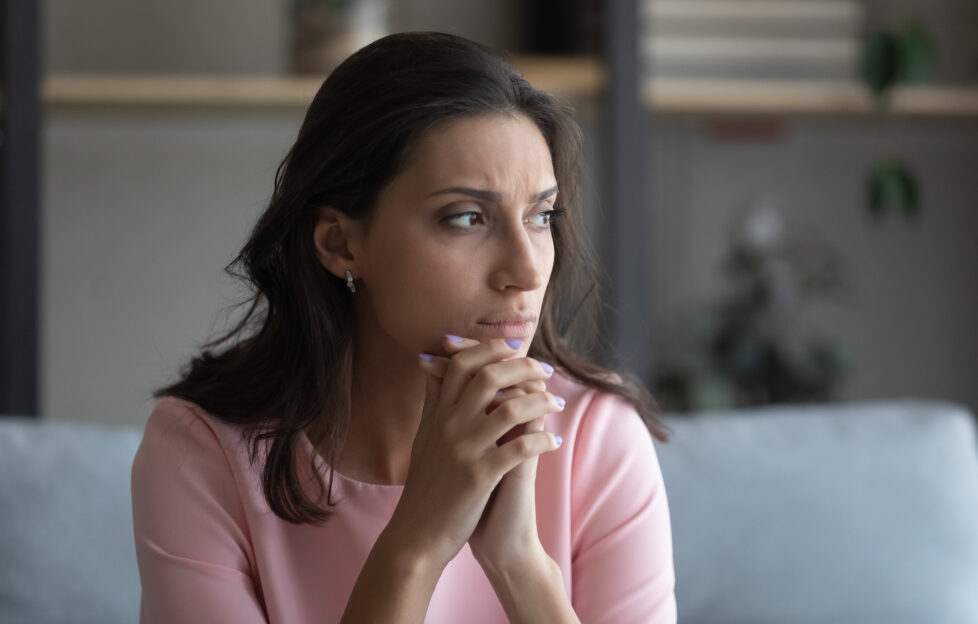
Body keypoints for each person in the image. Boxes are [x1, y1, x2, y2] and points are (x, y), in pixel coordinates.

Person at [131, 32, 676, 623]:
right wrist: (416, 544)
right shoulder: (202, 451)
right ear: (340, 243)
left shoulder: (599, 440)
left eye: (541, 216)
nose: (525, 269)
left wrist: (519, 563)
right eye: (466, 218)